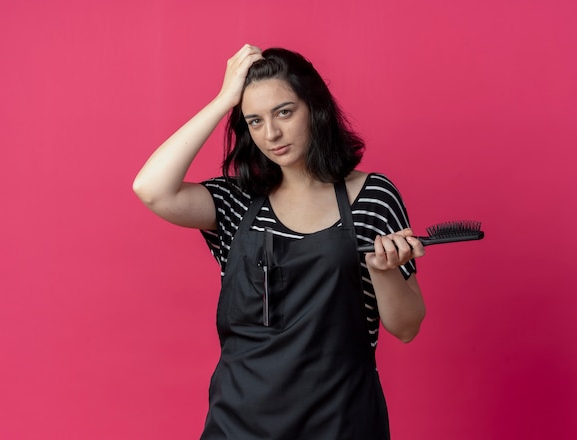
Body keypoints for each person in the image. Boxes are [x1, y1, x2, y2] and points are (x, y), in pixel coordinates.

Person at [133, 44, 426, 439]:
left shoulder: (372, 196)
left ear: (315, 107)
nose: (271, 134)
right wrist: (224, 100)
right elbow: (151, 189)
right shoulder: (236, 201)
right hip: (239, 425)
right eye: (254, 121)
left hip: (340, 422)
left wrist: (385, 272)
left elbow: (406, 327)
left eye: (284, 112)